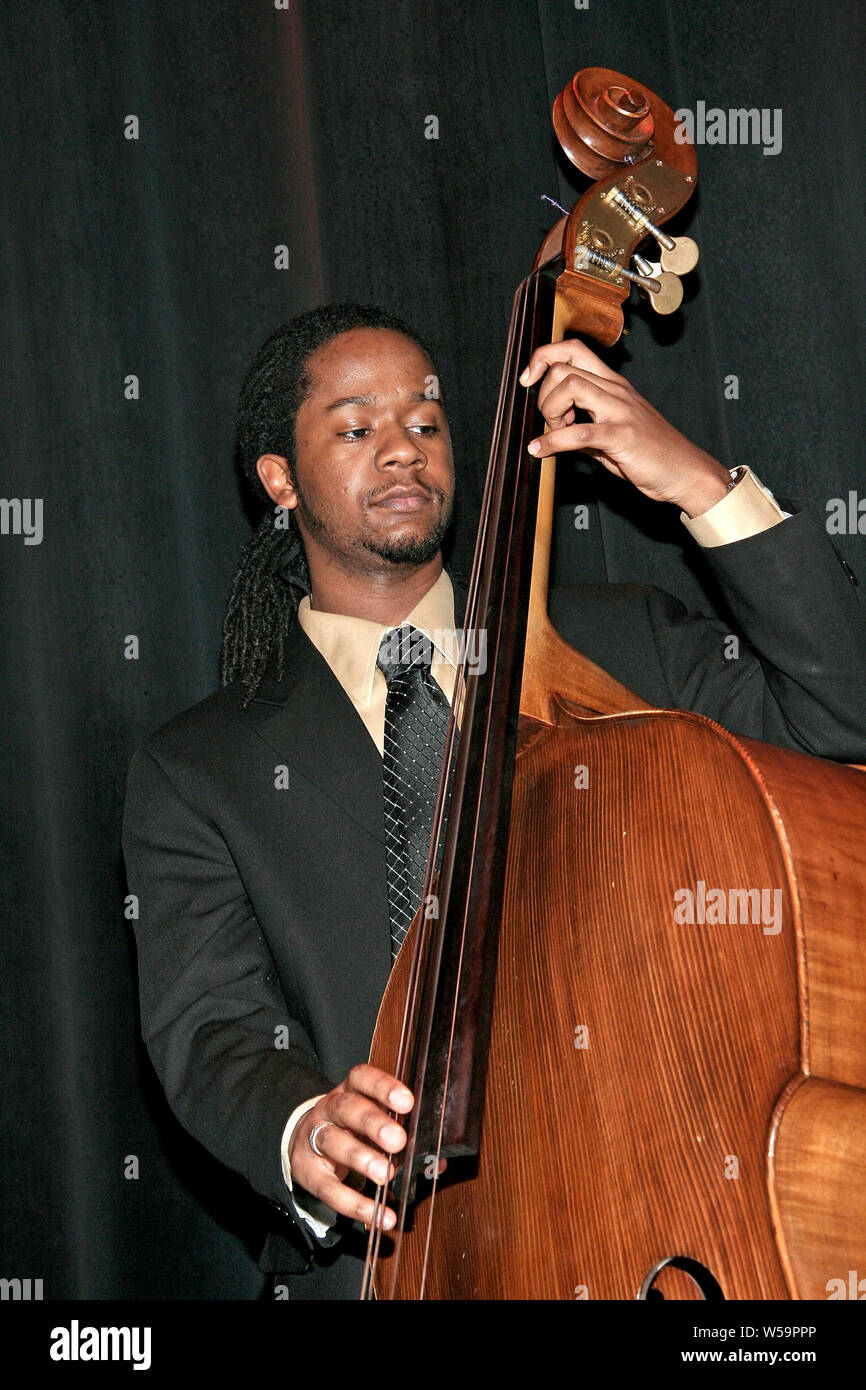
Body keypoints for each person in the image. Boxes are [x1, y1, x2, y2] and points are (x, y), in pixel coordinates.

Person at [122, 301, 866, 1300]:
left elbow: (840, 716)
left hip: (660, 1232)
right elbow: (211, 1029)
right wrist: (303, 1126)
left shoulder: (622, 640)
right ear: (279, 480)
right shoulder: (196, 766)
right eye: (355, 428)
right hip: (385, 1267)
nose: (402, 450)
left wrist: (698, 483)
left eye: (425, 423)